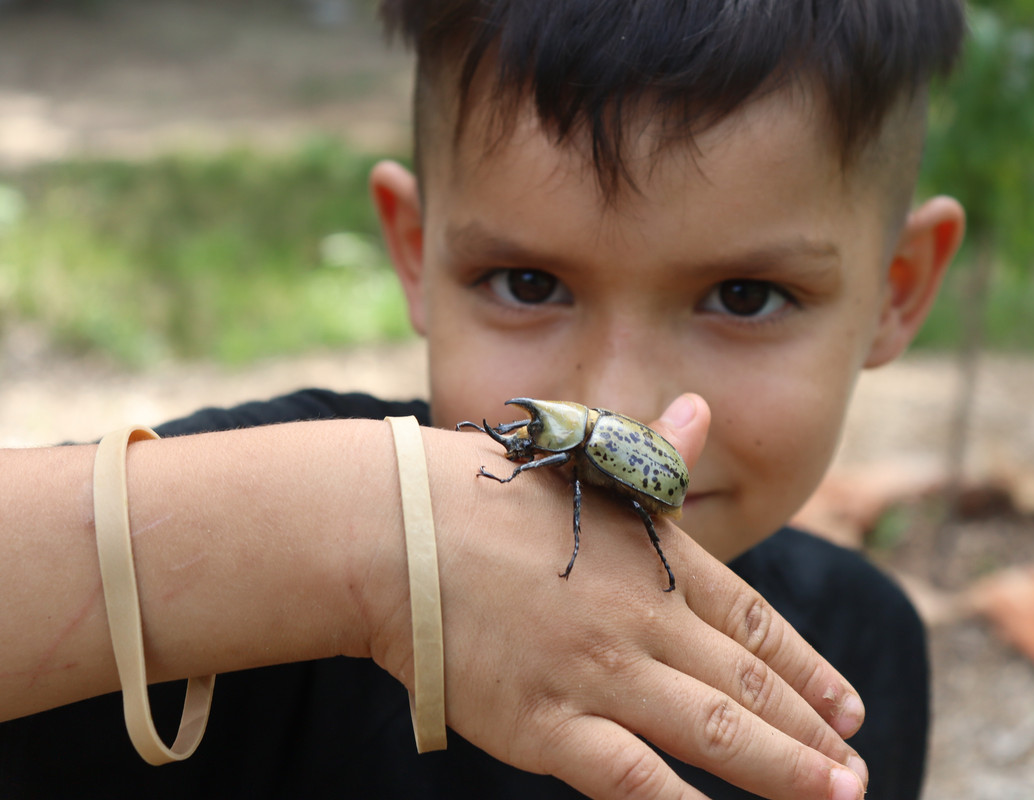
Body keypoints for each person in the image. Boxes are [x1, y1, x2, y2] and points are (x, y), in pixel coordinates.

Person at [0, 1, 967, 798]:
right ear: (415, 250)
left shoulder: (860, 650)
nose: (621, 395)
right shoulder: (274, 497)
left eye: (746, 296)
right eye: (528, 283)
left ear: (899, 292)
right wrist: (373, 536)